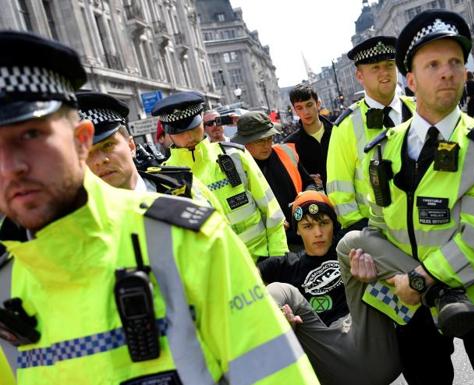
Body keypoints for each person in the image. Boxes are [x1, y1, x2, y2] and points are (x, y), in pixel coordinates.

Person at [0, 30, 318, 384]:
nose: (9, 167)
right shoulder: (5, 284)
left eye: (30, 136)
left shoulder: (189, 241)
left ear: (80, 141)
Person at [359, 10, 474, 384]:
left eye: (455, 61)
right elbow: (378, 222)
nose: (448, 72)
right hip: (413, 307)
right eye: (433, 64)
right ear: (411, 79)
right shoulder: (382, 149)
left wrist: (420, 279)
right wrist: (369, 265)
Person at [258, 191, 402, 385]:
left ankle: (426, 283)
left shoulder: (345, 248)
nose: (318, 233)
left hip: (370, 335)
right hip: (329, 355)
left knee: (352, 242)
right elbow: (244, 279)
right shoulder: (287, 265)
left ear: (333, 224)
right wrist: (280, 317)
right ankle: (270, 329)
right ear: (297, 230)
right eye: (308, 226)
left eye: (324, 223)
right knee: (279, 290)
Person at [152, 92, 288, 262]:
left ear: (201, 121)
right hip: (220, 278)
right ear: (168, 132)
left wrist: (278, 259)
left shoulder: (235, 155)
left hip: (265, 261)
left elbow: (272, 212)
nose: (189, 137)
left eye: (193, 128)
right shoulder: (164, 179)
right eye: (180, 132)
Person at [79, 91, 225, 215]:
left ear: (131, 146)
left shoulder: (183, 187)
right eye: (85, 153)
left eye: (108, 145)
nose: (99, 160)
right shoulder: (80, 223)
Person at [326, 36, 416, 233]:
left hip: (426, 228)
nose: (384, 73)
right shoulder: (345, 126)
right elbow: (339, 193)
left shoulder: (420, 109)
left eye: (389, 65)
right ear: (360, 76)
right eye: (375, 68)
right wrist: (365, 234)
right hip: (377, 233)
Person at [232, 111, 316, 248]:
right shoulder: (236, 170)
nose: (266, 145)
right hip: (271, 244)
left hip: (305, 233)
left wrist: (306, 197)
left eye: (269, 138)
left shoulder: (286, 152)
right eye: (260, 140)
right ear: (245, 143)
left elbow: (309, 183)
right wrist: (270, 222)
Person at [284, 84, 333, 189]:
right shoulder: (289, 145)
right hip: (315, 202)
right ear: (295, 111)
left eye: (309, 105)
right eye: (299, 108)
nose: (305, 112)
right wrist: (306, 180)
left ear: (318, 104)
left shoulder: (338, 132)